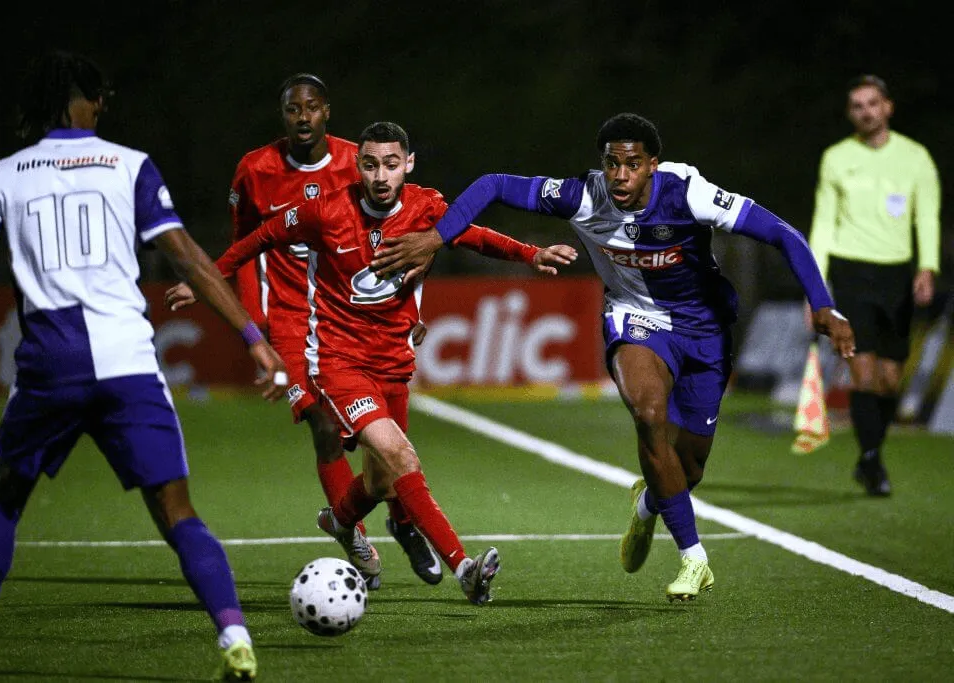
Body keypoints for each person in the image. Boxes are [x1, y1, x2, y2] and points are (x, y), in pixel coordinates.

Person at [367, 112, 856, 602]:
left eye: (632, 165)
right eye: (611, 164)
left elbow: (783, 234)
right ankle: (694, 558)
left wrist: (823, 305)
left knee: (688, 469)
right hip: (633, 317)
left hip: (703, 330)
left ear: (652, 166)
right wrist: (436, 238)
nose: (620, 176)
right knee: (648, 413)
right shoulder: (582, 195)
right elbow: (493, 184)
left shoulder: (690, 194)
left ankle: (647, 505)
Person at [0, 50, 286, 681]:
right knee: (177, 511)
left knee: (4, 500)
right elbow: (187, 257)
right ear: (92, 100)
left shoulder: (4, 174)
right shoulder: (129, 164)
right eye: (103, 99)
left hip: (49, 366)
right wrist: (250, 335)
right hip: (126, 362)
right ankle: (235, 637)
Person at [167, 121, 578, 604]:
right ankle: (464, 568)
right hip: (338, 360)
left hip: (394, 361)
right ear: (356, 166)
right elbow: (259, 237)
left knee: (382, 480)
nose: (380, 176)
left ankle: (340, 519)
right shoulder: (325, 211)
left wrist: (531, 254)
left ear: (408, 164)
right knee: (401, 456)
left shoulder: (425, 207)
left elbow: (472, 235)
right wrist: (206, 281)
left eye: (390, 164)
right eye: (370, 164)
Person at [205, 72, 439, 587]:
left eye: (311, 107)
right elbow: (246, 245)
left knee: (386, 436)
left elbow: (412, 236)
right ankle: (353, 535)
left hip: (347, 316)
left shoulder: (361, 159)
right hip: (289, 320)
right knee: (325, 426)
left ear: (327, 111)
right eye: (293, 109)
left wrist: (412, 311)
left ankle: (404, 523)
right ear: (283, 115)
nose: (303, 117)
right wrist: (254, 326)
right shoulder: (255, 169)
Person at [807, 74, 941, 497]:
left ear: (887, 107)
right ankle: (871, 459)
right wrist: (814, 283)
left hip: (896, 276)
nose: (866, 112)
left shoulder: (916, 157)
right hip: (850, 272)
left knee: (890, 379)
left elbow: (927, 216)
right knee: (862, 371)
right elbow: (824, 222)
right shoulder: (836, 158)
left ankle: (870, 455)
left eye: (872, 103)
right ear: (850, 114)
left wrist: (928, 266)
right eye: (857, 106)